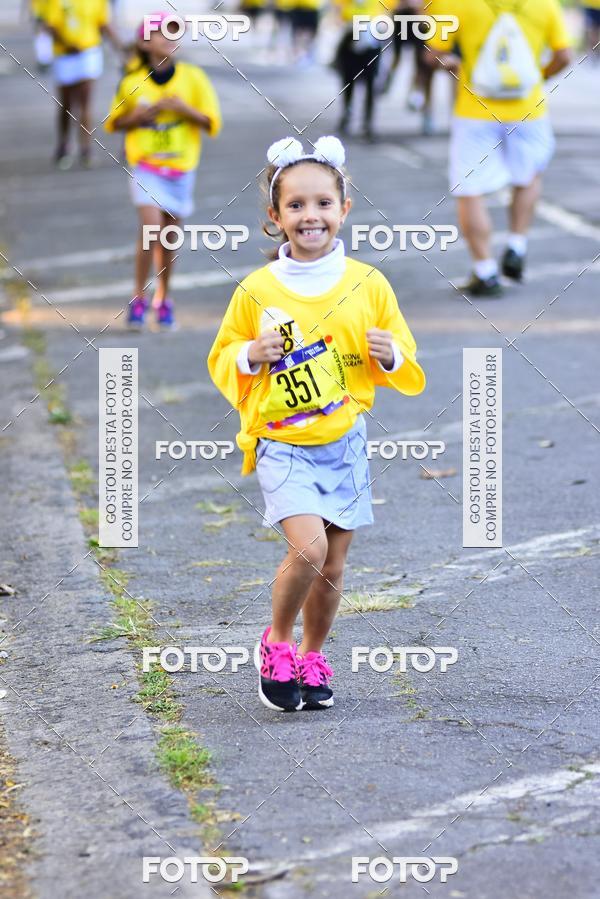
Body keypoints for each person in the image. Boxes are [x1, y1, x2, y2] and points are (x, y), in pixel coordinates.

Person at [207, 136, 426, 712]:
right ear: (275, 217)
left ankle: (312, 653)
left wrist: (390, 355)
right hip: (284, 441)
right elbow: (223, 356)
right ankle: (275, 643)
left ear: (344, 209)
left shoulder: (368, 283)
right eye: (297, 205)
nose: (311, 216)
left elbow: (403, 353)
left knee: (332, 565)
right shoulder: (256, 290)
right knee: (306, 551)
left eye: (323, 203)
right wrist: (251, 354)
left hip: (345, 442)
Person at [426, 0, 572, 296]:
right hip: (528, 108)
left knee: (469, 189)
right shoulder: (545, 4)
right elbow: (564, 56)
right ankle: (517, 244)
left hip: (474, 109)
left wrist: (455, 66)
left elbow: (434, 55)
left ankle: (485, 272)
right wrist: (536, 78)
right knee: (528, 175)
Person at [104, 13, 222, 330]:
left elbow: (212, 123)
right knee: (151, 228)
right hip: (146, 168)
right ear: (145, 42)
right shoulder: (131, 82)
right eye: (161, 33)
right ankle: (138, 297)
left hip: (181, 170)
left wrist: (184, 110)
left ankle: (164, 298)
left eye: (174, 32)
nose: (169, 38)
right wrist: (139, 116)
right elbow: (114, 122)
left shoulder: (193, 78)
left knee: (169, 238)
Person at [44, 0, 122, 169]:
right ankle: (63, 145)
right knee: (66, 104)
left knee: (85, 103)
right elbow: (50, 26)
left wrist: (120, 47)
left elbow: (103, 24)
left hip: (88, 54)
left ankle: (85, 148)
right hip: (65, 55)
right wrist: (67, 44)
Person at [333, 0, 392, 140]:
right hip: (350, 33)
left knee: (371, 82)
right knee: (348, 79)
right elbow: (338, 8)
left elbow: (389, 11)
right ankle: (347, 115)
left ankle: (368, 122)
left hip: (372, 36)